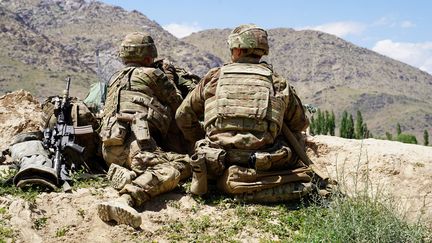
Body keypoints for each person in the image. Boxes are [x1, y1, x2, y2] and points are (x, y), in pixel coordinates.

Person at [176, 24, 320, 202]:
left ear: (236, 49)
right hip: (265, 162)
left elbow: (183, 115)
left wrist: (201, 138)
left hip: (217, 161)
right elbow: (299, 124)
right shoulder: (277, 81)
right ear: (262, 51)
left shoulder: (214, 77)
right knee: (295, 138)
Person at [96, 32, 191, 228]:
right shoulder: (153, 74)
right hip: (136, 148)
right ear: (149, 57)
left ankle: (129, 174)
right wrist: (169, 77)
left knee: (147, 160)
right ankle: (126, 199)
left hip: (109, 151)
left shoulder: (114, 78)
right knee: (180, 165)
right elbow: (179, 105)